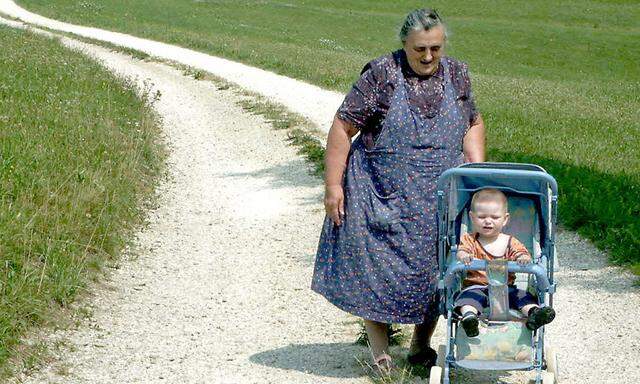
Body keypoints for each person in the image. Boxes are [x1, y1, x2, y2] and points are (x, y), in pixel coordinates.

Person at [311, 8, 485, 373]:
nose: (427, 57)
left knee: (437, 269)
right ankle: (379, 351)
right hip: (381, 193)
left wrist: (476, 173)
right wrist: (332, 186)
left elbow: (473, 122)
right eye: (419, 49)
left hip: (437, 198)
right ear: (404, 44)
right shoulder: (381, 74)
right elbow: (343, 128)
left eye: (435, 49)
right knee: (375, 268)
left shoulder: (457, 74)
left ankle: (420, 346)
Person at [454, 188, 556, 337]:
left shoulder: (510, 241)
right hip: (477, 287)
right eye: (482, 216)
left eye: (495, 217)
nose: (488, 221)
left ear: (505, 219)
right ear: (472, 217)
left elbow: (521, 253)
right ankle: (470, 318)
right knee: (467, 299)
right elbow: (462, 251)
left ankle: (534, 313)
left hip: (506, 288)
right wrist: (464, 255)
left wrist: (522, 258)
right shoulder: (470, 240)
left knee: (523, 297)